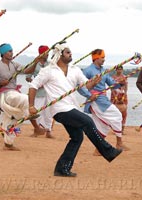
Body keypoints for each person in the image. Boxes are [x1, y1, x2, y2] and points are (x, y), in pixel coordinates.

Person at [28, 44, 122, 177]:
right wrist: (31, 106)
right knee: (88, 121)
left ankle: (62, 169)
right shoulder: (48, 71)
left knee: (77, 137)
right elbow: (33, 86)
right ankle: (108, 151)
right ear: (60, 54)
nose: (70, 54)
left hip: (71, 107)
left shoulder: (75, 70)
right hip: (58, 109)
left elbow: (86, 86)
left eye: (70, 52)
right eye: (67, 52)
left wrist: (94, 82)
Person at [0, 43, 46, 151]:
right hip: (4, 95)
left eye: (12, 51)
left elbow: (27, 71)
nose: (12, 53)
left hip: (13, 93)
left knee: (13, 121)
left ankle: (8, 144)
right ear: (3, 53)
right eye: (9, 51)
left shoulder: (14, 64)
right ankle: (34, 124)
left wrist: (35, 62)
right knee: (26, 99)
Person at [82, 49, 129, 156]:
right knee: (117, 115)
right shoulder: (87, 71)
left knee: (102, 126)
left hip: (103, 99)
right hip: (96, 101)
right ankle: (119, 143)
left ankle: (98, 149)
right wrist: (90, 95)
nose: (104, 59)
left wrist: (120, 83)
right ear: (96, 58)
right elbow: (81, 87)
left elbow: (112, 84)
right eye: (102, 57)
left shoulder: (104, 71)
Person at [25, 45, 54, 138]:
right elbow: (28, 77)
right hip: (38, 93)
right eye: (46, 53)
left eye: (48, 53)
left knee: (49, 113)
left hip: (49, 92)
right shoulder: (34, 64)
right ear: (41, 54)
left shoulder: (50, 64)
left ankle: (49, 132)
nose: (48, 55)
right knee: (36, 111)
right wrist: (36, 83)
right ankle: (36, 130)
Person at [110, 65, 128, 133]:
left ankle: (122, 129)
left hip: (123, 95)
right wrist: (115, 96)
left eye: (121, 69)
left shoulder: (124, 77)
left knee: (124, 112)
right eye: (118, 69)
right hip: (114, 96)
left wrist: (124, 95)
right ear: (116, 70)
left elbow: (126, 87)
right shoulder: (112, 78)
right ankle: (115, 128)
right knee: (114, 112)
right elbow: (111, 88)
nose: (119, 70)